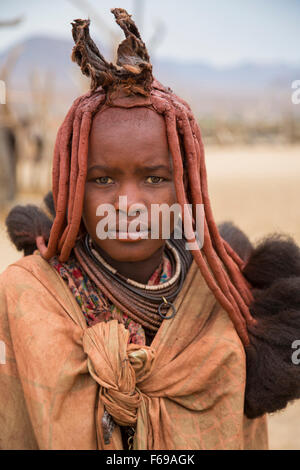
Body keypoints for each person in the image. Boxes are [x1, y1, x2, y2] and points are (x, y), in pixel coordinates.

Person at [1, 8, 300, 450]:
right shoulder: (29, 296)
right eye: (102, 179)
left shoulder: (221, 297)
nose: (128, 204)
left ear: (186, 188)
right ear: (70, 189)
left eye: (155, 178)